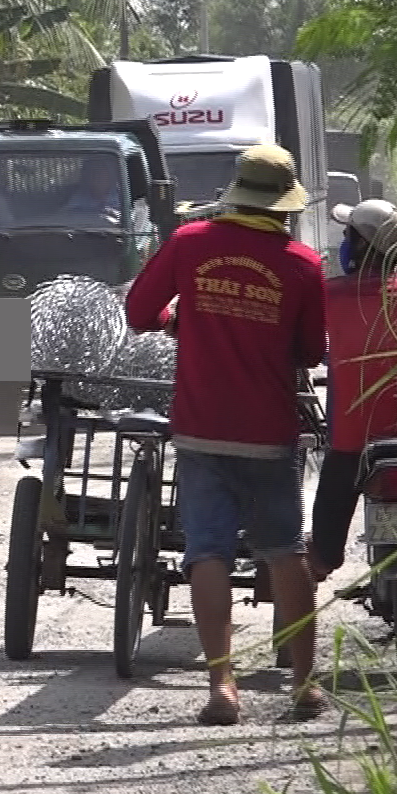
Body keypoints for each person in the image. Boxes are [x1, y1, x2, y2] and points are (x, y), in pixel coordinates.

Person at [124, 144, 330, 725]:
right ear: (284, 206)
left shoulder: (190, 245)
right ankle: (304, 685)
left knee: (207, 552)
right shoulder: (302, 265)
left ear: (236, 191)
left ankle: (222, 687)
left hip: (201, 430)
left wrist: (179, 323)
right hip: (268, 433)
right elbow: (312, 351)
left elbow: (139, 313)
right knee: (285, 553)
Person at [305, 199, 397, 581]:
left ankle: (318, 573)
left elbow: (300, 346)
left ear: (363, 245)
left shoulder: (326, 296)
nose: (343, 243)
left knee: (319, 556)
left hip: (353, 445)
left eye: (348, 235)